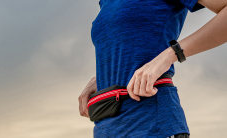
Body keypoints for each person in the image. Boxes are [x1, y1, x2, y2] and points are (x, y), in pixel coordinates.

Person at [78, 0, 227, 137]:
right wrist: (104, 75)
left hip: (151, 123)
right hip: (106, 127)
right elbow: (130, 40)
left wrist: (170, 54)